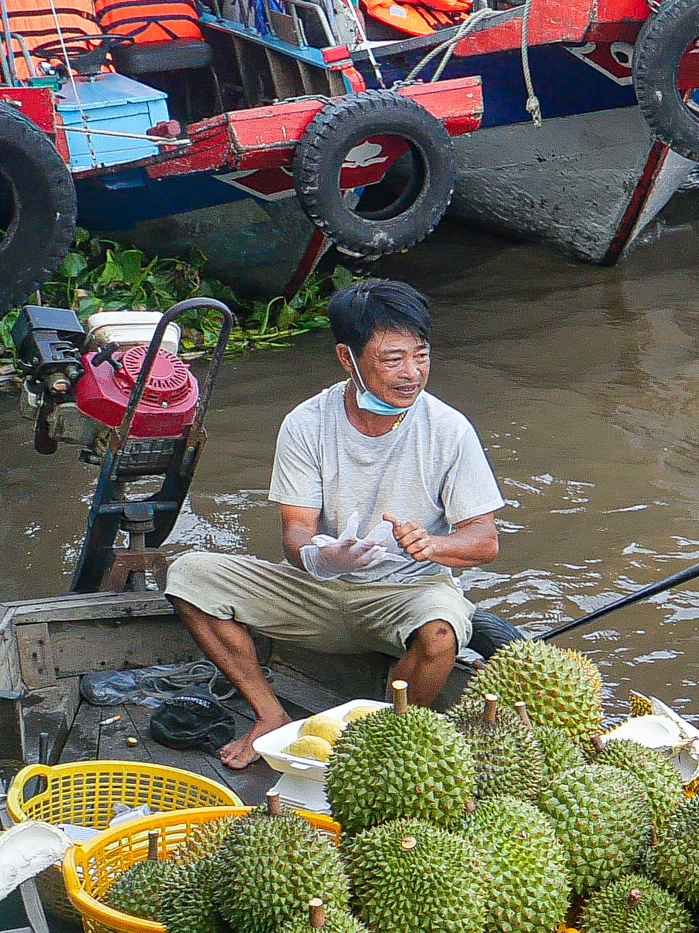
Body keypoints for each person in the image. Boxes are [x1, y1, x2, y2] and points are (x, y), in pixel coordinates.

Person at [168, 279, 503, 767]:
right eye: (392, 359)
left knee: (441, 633)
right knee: (189, 575)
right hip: (320, 592)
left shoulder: (449, 429)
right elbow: (295, 532)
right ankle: (269, 715)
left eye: (421, 356)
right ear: (348, 359)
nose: (412, 373)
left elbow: (484, 541)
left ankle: (389, 742)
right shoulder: (306, 423)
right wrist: (323, 556)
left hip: (407, 595)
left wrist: (431, 544)